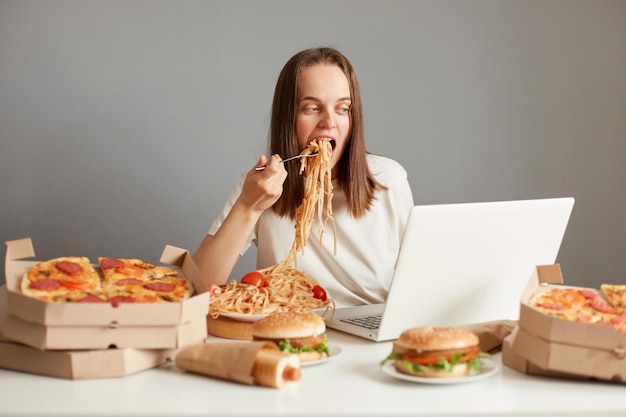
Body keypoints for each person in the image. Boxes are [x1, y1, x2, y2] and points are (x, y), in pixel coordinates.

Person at [193, 47, 414, 307]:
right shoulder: (259, 186)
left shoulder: (388, 179)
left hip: (371, 336)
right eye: (312, 108)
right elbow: (196, 289)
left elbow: (418, 282)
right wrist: (247, 207)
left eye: (343, 109)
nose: (329, 122)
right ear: (288, 118)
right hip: (286, 332)